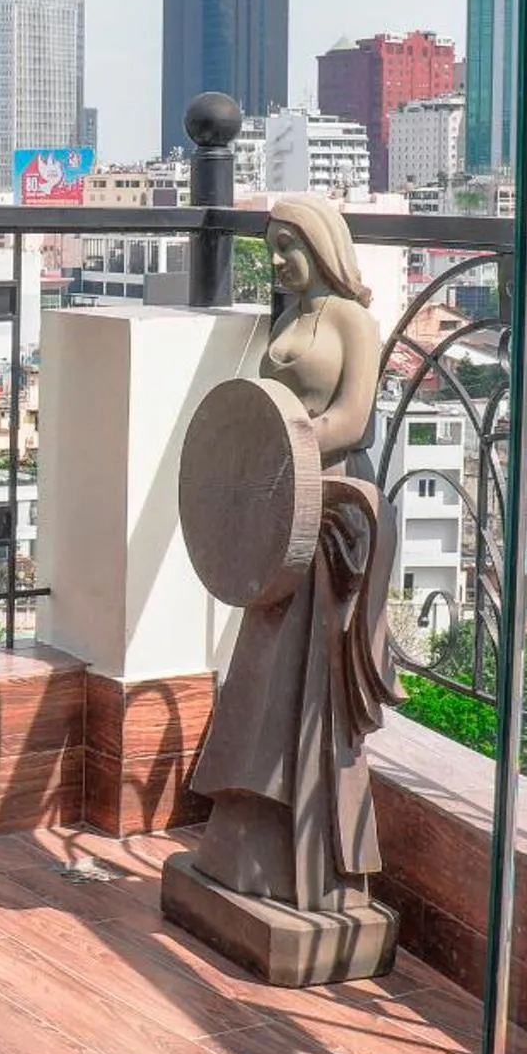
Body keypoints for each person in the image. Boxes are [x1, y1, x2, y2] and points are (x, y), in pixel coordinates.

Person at [188, 193, 402, 912]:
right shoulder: (290, 319)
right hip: (277, 513)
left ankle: (305, 859)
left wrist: (287, 449)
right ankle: (246, 835)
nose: (279, 260)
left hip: (325, 507)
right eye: (272, 247)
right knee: (261, 676)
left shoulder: (352, 321)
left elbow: (354, 418)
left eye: (290, 246)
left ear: (323, 247)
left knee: (306, 681)